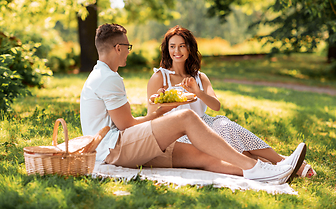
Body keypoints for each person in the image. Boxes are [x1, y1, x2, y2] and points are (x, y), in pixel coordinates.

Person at [80, 23, 306, 185]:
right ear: (117, 48)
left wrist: (161, 116)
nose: (128, 52)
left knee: (204, 157)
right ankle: (256, 167)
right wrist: (162, 113)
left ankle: (270, 172)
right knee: (186, 117)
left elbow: (127, 125)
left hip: (112, 149)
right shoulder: (109, 78)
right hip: (114, 148)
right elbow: (127, 126)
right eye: (127, 47)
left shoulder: (101, 75)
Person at [147, 25, 316, 179]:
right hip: (180, 133)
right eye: (172, 46)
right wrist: (163, 103)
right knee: (224, 139)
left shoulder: (200, 77)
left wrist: (197, 92)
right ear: (167, 49)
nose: (177, 50)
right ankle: (286, 166)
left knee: (224, 125)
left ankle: (280, 161)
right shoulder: (159, 77)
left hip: (204, 123)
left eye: (182, 45)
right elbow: (151, 116)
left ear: (190, 48)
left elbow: (215, 105)